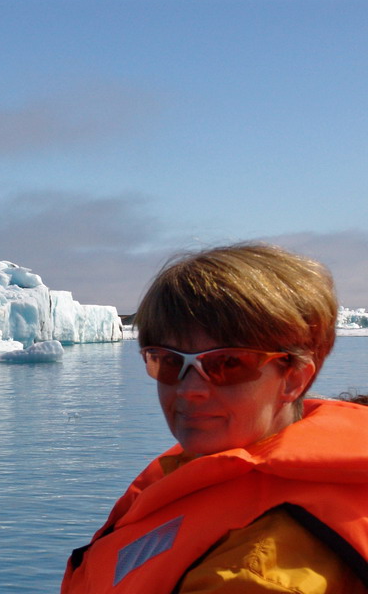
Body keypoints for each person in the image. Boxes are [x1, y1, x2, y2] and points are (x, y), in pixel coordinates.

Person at [61, 242, 368, 593]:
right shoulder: (208, 476)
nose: (189, 389)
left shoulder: (256, 571)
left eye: (227, 364)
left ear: (294, 378)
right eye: (169, 360)